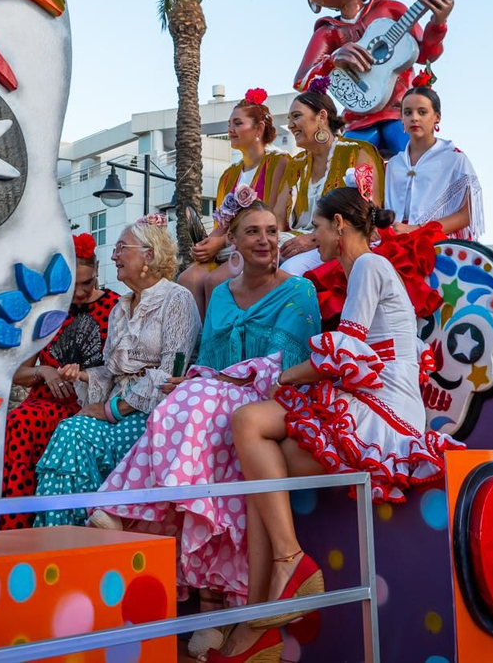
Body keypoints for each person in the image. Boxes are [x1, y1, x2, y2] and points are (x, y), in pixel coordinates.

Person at [208, 189, 461, 663]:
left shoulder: (368, 265)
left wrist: (283, 375)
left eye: (318, 228)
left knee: (247, 420)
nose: (313, 238)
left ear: (340, 225)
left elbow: (348, 353)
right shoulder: (366, 268)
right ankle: (259, 623)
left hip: (379, 410)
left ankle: (289, 562)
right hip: (372, 402)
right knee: (265, 475)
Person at [86, 202, 320, 658]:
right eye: (252, 231)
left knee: (194, 399)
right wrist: (197, 378)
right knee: (184, 398)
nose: (265, 240)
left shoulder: (299, 291)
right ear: (231, 241)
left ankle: (127, 502)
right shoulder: (222, 293)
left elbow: (284, 369)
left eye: (272, 231)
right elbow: (210, 362)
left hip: (272, 400)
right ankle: (211, 598)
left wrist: (208, 382)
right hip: (223, 398)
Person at [33, 216, 200, 527]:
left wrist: (110, 409)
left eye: (122, 248)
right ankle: (71, 534)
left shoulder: (177, 299)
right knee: (70, 431)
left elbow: (168, 376)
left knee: (73, 433)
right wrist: (83, 377)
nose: (113, 256)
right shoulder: (120, 307)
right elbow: (109, 373)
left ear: (149, 254)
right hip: (121, 411)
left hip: (154, 418)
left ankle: (69, 533)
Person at [288, 0, 455, 158]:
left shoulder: (389, 10)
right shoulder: (327, 32)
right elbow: (302, 82)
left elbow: (426, 53)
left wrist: (438, 22)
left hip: (401, 114)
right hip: (356, 120)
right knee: (345, 174)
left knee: (419, 162)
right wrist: (334, 60)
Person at [0, 233, 120, 529]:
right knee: (18, 421)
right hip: (42, 404)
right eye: (73, 284)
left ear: (98, 272)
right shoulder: (49, 311)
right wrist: (44, 371)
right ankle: (14, 526)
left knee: (21, 423)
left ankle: (28, 526)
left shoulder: (117, 307)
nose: (79, 293)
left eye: (87, 283)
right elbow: (16, 372)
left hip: (86, 405)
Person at [179, 89, 294, 310]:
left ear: (259, 128)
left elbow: (274, 220)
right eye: (230, 124)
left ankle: (221, 340)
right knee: (187, 279)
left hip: (257, 246)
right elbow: (222, 222)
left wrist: (221, 242)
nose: (230, 130)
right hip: (229, 246)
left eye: (237, 123)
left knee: (214, 281)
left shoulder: (279, 162)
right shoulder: (229, 175)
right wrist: (205, 245)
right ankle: (200, 342)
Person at [280, 89, 383, 278]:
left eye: (296, 116)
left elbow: (368, 214)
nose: (290, 125)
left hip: (342, 243)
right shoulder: (295, 165)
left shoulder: (358, 152)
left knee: (289, 271)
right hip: (294, 245)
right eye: (289, 118)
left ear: (321, 116)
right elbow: (278, 219)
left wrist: (314, 239)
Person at [385, 83, 483, 239]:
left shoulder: (454, 159)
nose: (414, 118)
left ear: (437, 117)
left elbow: (467, 214)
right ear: (401, 118)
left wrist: (418, 229)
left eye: (422, 112)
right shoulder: (394, 164)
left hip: (438, 240)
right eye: (408, 112)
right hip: (395, 238)